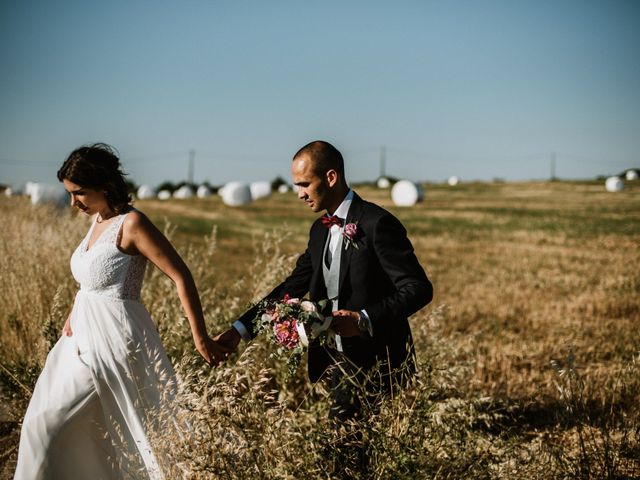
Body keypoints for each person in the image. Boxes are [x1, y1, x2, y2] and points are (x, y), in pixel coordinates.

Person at [14, 143, 230, 480]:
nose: (73, 203)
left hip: (115, 339)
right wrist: (75, 310)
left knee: (123, 434)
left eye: (79, 193)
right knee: (41, 425)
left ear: (104, 185)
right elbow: (92, 278)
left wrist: (199, 336)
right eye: (70, 194)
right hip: (77, 340)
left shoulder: (132, 224)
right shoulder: (98, 219)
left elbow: (180, 275)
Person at [215, 140, 432, 473]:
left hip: (375, 357)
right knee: (347, 447)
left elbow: (417, 288)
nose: (299, 193)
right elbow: (290, 288)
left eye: (304, 184)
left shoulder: (376, 223)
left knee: (347, 451)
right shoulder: (319, 230)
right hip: (333, 359)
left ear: (330, 178)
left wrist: (362, 318)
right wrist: (241, 330)